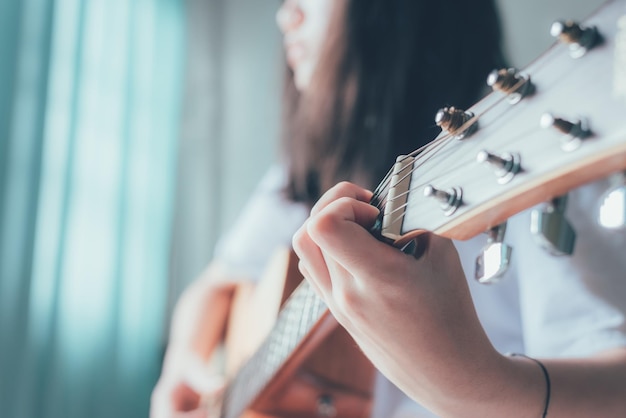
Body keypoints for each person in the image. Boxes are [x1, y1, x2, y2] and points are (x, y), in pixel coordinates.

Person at [149, 0, 529, 416]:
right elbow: (217, 283)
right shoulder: (304, 172)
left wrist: (477, 387)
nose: (285, 16)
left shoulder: (519, 158)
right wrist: (183, 362)